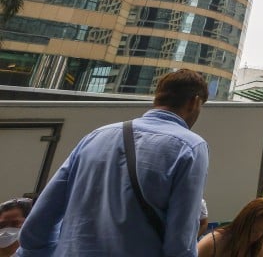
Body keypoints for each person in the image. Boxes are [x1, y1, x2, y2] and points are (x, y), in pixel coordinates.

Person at [16, 69, 209, 257]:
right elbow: (180, 242)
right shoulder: (190, 146)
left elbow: (38, 224)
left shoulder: (96, 136)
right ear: (195, 102)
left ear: (157, 97)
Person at [197, 198, 263, 257]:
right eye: (254, 230)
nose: (258, 235)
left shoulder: (258, 246)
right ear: (243, 222)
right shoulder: (212, 243)